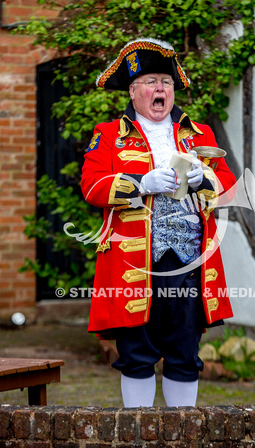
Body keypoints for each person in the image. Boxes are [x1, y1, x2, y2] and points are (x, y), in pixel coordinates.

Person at [81, 37, 236, 408]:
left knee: (184, 352)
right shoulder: (108, 136)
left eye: (165, 82)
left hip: (189, 262)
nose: (160, 89)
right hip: (134, 264)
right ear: (134, 92)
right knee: (137, 353)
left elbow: (229, 188)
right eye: (150, 82)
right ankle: (139, 436)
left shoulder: (200, 135)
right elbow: (91, 186)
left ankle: (180, 436)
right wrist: (140, 184)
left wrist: (206, 181)